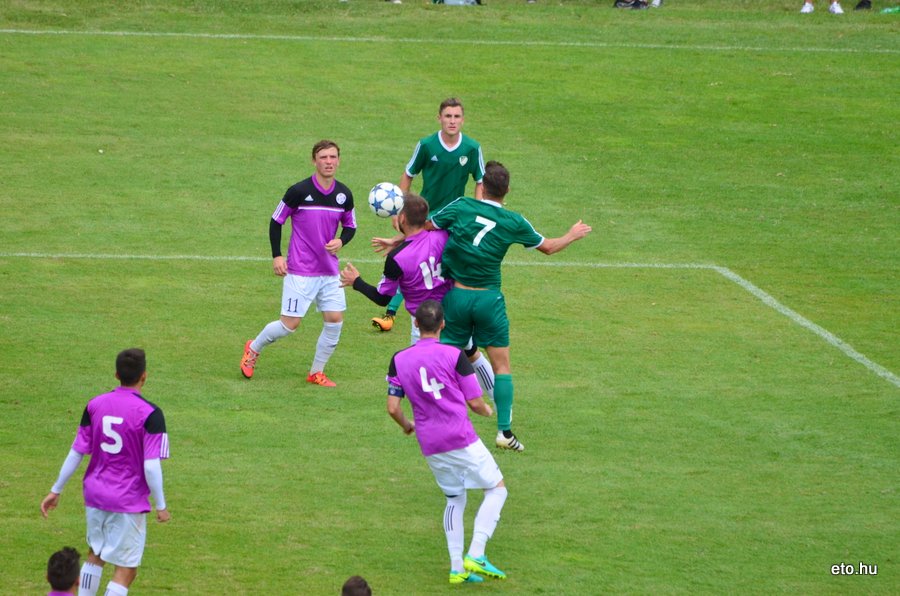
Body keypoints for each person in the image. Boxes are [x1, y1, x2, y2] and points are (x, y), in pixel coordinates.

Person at [428, 160, 592, 452]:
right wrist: (571, 234)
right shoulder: (514, 221)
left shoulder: (463, 206)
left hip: (458, 297)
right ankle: (504, 431)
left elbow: (428, 225)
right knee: (502, 365)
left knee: (447, 360)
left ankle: (446, 421)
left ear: (482, 187)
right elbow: (549, 247)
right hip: (489, 299)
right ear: (507, 191)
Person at [386, 300, 508, 585]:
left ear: (416, 324)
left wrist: (407, 426)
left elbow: (392, 407)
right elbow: (475, 402)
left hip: (429, 443)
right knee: (497, 489)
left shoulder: (399, 358)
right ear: (443, 324)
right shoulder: (454, 355)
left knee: (454, 498)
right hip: (459, 437)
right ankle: (476, 553)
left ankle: (457, 569)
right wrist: (489, 411)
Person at [41, 348, 170, 596]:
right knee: (126, 570)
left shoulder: (95, 405)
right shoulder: (151, 414)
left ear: (115, 374)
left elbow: (77, 451)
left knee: (96, 554)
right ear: (144, 376)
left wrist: (56, 489)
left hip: (95, 495)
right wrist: (161, 505)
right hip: (128, 500)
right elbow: (151, 465)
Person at [344, 194, 496, 396]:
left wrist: (357, 282)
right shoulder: (445, 235)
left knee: (429, 378)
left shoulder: (396, 258)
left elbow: (383, 298)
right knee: (472, 354)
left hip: (424, 323)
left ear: (403, 219)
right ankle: (502, 406)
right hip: (455, 312)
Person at [240, 139, 357, 386]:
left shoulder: (344, 194)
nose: (328, 162)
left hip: (329, 271)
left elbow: (350, 226)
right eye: (323, 157)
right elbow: (276, 221)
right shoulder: (298, 191)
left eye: (333, 157)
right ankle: (253, 348)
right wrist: (277, 255)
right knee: (289, 325)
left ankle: (316, 371)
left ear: (339, 160)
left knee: (335, 320)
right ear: (314, 160)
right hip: (301, 270)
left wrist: (341, 241)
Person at [371, 97, 485, 334]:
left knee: (441, 266)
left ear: (463, 120)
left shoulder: (472, 148)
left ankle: (445, 314)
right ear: (439, 118)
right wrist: (401, 207)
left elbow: (480, 181)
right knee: (417, 262)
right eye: (448, 116)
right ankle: (391, 313)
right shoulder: (427, 145)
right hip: (425, 215)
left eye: (456, 117)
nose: (452, 121)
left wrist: (477, 211)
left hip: (453, 219)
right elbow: (408, 173)